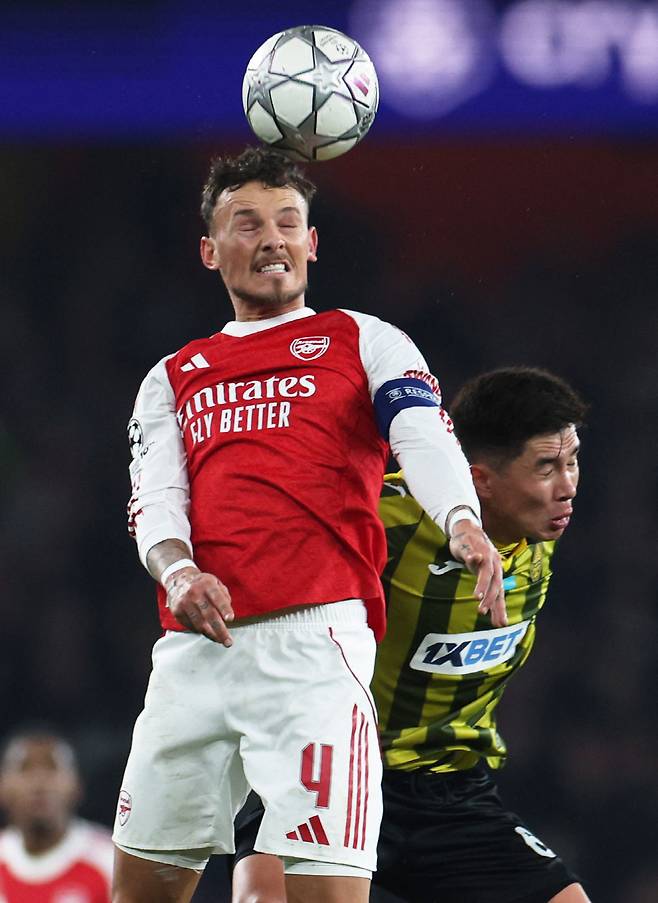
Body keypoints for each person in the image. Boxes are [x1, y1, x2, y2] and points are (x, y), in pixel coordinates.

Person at [111, 145, 504, 903]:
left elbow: (421, 430)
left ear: (312, 243)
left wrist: (461, 517)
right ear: (209, 249)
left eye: (289, 221)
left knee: (324, 895)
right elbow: (154, 496)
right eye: (247, 222)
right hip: (194, 652)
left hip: (314, 651)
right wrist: (178, 569)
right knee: (141, 892)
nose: (272, 238)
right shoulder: (175, 373)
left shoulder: (365, 340)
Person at [231, 366, 592, 903]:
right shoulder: (380, 517)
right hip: (327, 775)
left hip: (452, 794)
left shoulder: (541, 530)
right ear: (478, 481)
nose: (567, 487)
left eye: (572, 460)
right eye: (545, 467)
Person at [0, 728, 113, 902]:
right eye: (25, 769)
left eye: (52, 768)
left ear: (76, 785)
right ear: (3, 787)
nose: (39, 782)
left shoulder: (109, 862)